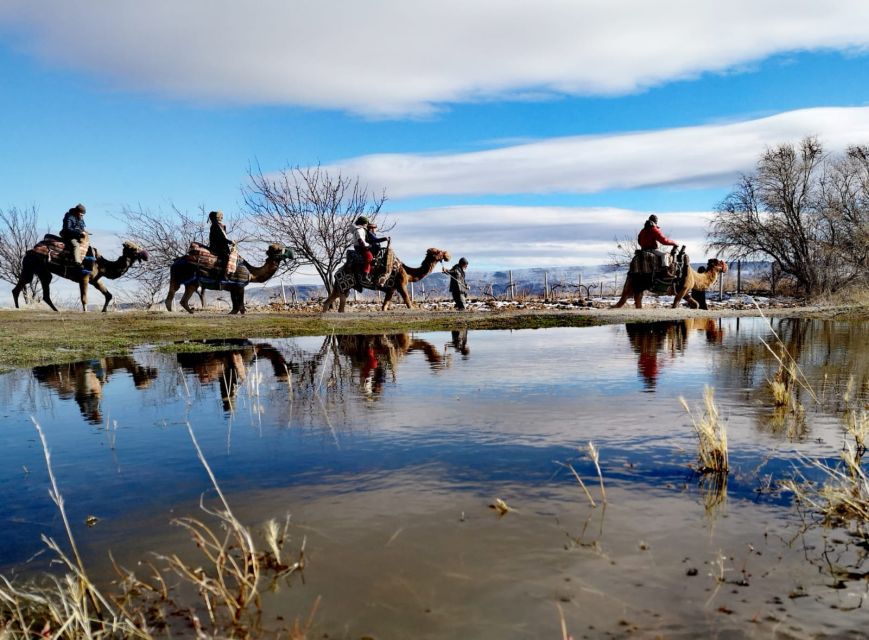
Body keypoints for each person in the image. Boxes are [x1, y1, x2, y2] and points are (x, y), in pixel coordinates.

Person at [208, 210, 235, 278]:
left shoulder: (219, 226)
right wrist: (230, 242)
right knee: (226, 257)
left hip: (221, 246)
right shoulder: (215, 226)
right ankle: (222, 275)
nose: (222, 218)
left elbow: (222, 238)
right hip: (217, 247)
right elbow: (220, 238)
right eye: (220, 216)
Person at [352, 216, 373, 292]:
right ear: (363, 223)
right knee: (369, 257)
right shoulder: (360, 230)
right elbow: (360, 240)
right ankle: (365, 274)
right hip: (360, 247)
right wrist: (367, 246)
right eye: (366, 223)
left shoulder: (359, 229)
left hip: (359, 246)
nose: (367, 225)